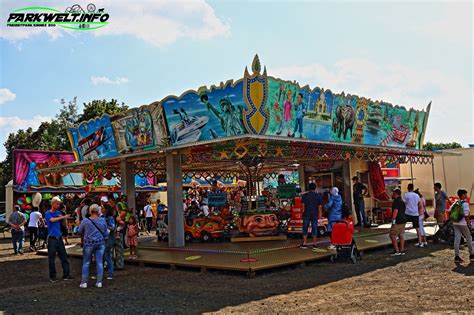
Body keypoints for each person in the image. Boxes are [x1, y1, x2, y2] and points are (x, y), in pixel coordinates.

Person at [78, 204, 108, 289]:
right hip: (100, 243)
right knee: (99, 262)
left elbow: (79, 231)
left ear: (90, 211)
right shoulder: (103, 220)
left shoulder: (85, 220)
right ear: (98, 211)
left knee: (86, 262)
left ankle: (84, 283)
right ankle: (99, 282)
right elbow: (106, 233)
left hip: (88, 243)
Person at [45, 196, 73, 282]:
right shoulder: (48, 213)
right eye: (56, 204)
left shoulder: (58, 212)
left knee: (64, 257)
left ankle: (66, 275)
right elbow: (52, 220)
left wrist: (67, 217)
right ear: (52, 204)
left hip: (59, 238)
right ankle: (53, 277)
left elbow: (62, 217)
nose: (58, 205)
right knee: (51, 259)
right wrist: (63, 217)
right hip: (52, 239)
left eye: (58, 204)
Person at [300, 183, 323, 250]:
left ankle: (304, 243)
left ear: (308, 188)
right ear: (315, 188)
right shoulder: (318, 196)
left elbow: (303, 207)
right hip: (315, 214)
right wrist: (320, 215)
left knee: (305, 227)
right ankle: (315, 244)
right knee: (314, 227)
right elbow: (320, 207)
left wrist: (302, 213)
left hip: (306, 214)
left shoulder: (305, 196)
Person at [452, 189, 473, 263]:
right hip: (463, 223)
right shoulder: (465, 203)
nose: (467, 195)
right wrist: (469, 223)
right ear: (463, 195)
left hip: (455, 223)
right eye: (466, 194)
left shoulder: (455, 202)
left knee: (457, 238)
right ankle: (472, 255)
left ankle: (456, 256)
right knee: (469, 238)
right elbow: (466, 215)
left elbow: (450, 211)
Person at [389, 189, 407, 256]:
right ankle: (402, 250)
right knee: (401, 235)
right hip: (403, 220)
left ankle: (397, 251)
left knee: (392, 235)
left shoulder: (396, 201)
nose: (392, 195)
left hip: (398, 220)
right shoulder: (402, 201)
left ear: (396, 194)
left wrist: (392, 219)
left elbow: (395, 211)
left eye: (393, 193)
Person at [103, 204, 116, 280]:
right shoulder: (104, 217)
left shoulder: (109, 218)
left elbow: (112, 227)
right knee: (105, 256)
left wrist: (105, 226)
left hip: (108, 239)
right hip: (105, 239)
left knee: (107, 256)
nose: (101, 209)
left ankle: (110, 273)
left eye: (103, 208)